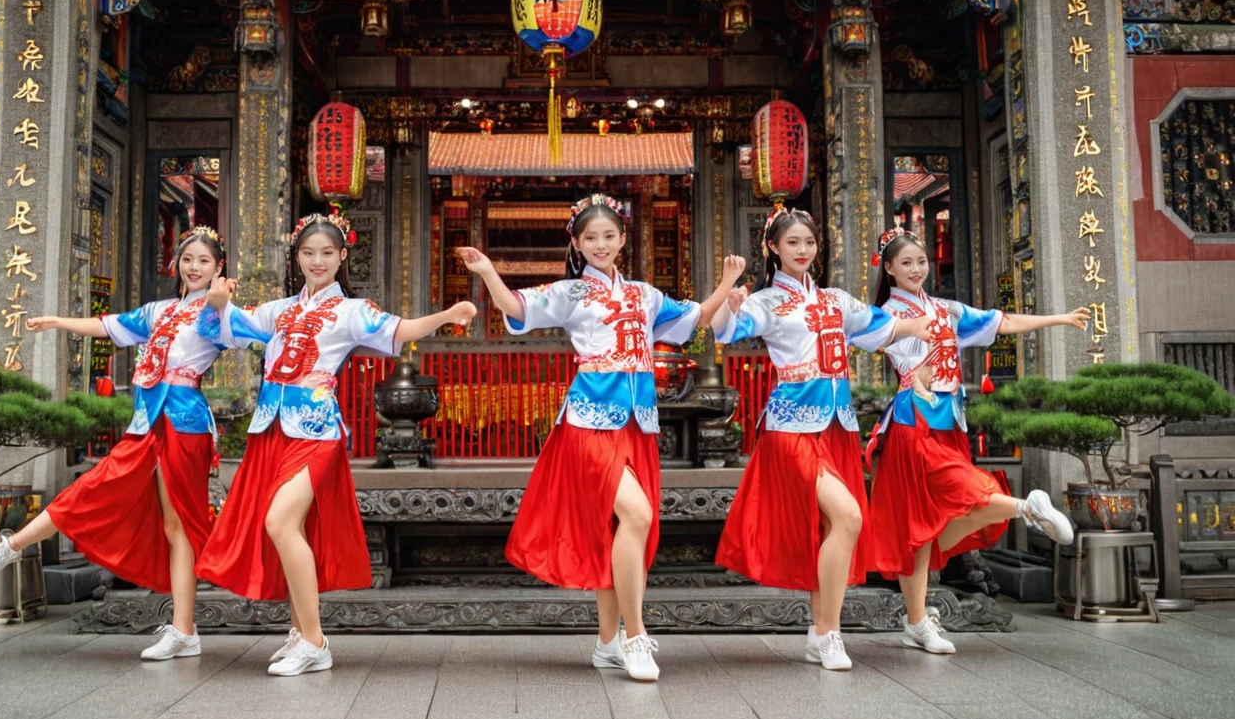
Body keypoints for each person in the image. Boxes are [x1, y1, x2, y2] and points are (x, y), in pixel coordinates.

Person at [459, 193, 744, 683]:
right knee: (637, 513)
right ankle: (636, 636)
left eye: (609, 236)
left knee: (621, 530)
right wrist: (487, 272)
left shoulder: (643, 294)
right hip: (590, 421)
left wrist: (726, 284)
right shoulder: (572, 294)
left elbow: (694, 320)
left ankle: (607, 641)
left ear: (623, 239)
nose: (600, 244)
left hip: (637, 424)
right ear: (576, 241)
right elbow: (519, 308)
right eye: (590, 237)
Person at [197, 210, 476, 677]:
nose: (317, 261)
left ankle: (314, 640)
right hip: (272, 430)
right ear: (297, 256)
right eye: (308, 253)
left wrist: (447, 315)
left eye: (327, 253)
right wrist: (217, 304)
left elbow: (399, 330)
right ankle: (299, 630)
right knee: (292, 531)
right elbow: (221, 332)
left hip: (317, 431)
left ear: (342, 256)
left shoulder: (351, 311)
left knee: (281, 523)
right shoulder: (279, 310)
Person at [0, 227, 227, 661]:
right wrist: (56, 322)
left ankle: (184, 630)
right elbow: (109, 325)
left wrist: (221, 301)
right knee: (92, 487)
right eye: (188, 259)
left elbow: (234, 326)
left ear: (218, 268)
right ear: (177, 264)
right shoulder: (159, 311)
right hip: (146, 424)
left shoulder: (218, 312)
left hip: (185, 425)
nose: (195, 267)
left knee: (177, 526)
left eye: (204, 261)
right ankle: (10, 547)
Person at [714, 207, 934, 672]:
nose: (802, 251)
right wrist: (729, 305)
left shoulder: (836, 300)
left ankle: (823, 633)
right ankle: (826, 633)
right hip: (791, 427)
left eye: (808, 243)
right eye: (792, 243)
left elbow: (880, 329)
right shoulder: (768, 302)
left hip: (837, 427)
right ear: (773, 248)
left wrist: (915, 327)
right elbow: (730, 330)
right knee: (849, 516)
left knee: (831, 528)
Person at [867, 226, 1086, 654]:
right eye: (906, 262)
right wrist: (918, 373)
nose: (916, 268)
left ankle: (915, 622)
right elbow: (883, 349)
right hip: (914, 425)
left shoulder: (945, 309)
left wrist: (1058, 319)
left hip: (948, 423)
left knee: (929, 530)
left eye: (921, 261)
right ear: (889, 269)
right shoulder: (889, 315)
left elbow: (999, 321)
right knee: (947, 504)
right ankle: (1028, 509)